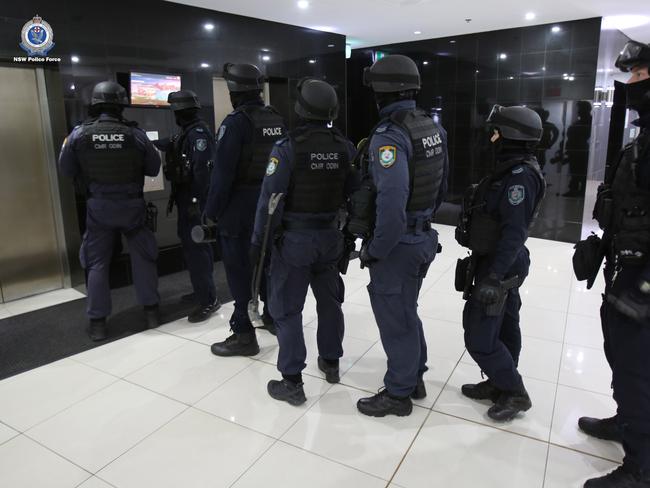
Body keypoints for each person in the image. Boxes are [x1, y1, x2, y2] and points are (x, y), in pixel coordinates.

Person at [349, 54, 449, 417]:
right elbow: (441, 188)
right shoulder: (432, 127)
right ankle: (414, 374)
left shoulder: (388, 137)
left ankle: (398, 393)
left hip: (398, 244)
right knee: (407, 311)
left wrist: (375, 250)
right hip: (422, 238)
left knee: (396, 318)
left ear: (381, 90)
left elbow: (391, 202)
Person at [252, 78, 358, 405]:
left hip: (295, 241)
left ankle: (292, 381)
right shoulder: (345, 147)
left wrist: (260, 244)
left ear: (300, 108)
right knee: (330, 303)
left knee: (287, 310)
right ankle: (331, 361)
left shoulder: (287, 147)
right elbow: (356, 196)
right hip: (330, 238)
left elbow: (270, 202)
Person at [577, 40, 650, 488]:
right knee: (622, 357)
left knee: (636, 367)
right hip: (627, 267)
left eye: (641, 75)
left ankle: (640, 468)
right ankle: (627, 424)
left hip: (643, 277)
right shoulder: (644, 137)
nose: (633, 82)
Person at [455, 105, 546, 422]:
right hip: (499, 261)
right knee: (506, 324)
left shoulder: (520, 178)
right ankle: (499, 383)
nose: (491, 138)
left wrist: (493, 277)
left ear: (510, 136)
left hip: (501, 263)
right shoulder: (511, 170)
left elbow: (514, 232)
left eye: (495, 132)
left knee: (478, 335)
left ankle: (514, 391)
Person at [58, 81, 161, 341]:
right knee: (143, 258)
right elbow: (153, 168)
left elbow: (67, 170)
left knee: (97, 264)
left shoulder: (79, 134)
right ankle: (151, 312)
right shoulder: (135, 135)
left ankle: (97, 323)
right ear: (121, 105)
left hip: (99, 207)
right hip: (132, 206)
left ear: (94, 104)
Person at [205, 63, 286, 356]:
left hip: (239, 209)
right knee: (267, 264)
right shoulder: (276, 118)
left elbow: (222, 175)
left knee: (239, 270)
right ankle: (273, 317)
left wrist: (210, 212)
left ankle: (243, 335)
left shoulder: (235, 123)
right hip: (271, 207)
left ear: (234, 91)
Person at [152, 90, 220, 323]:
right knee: (194, 251)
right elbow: (169, 144)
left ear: (180, 112)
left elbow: (202, 172)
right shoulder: (186, 133)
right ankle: (202, 291)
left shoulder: (198, 134)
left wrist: (198, 203)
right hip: (188, 201)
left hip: (194, 202)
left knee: (198, 251)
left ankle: (209, 300)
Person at [563, 100, 593, 197]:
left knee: (581, 171)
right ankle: (574, 189)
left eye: (580, 109)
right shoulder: (579, 122)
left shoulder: (590, 121)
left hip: (581, 150)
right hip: (575, 150)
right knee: (575, 171)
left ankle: (581, 190)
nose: (578, 111)